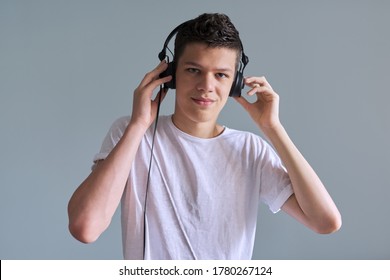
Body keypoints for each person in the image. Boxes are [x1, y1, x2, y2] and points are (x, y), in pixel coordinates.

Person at [67, 13, 341, 260]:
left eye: (221, 75)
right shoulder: (129, 133)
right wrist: (139, 124)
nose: (206, 86)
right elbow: (85, 228)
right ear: (170, 75)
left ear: (235, 83)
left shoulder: (250, 150)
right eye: (193, 70)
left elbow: (325, 222)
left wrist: (273, 129)